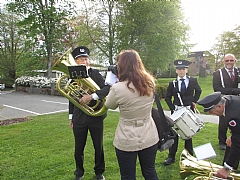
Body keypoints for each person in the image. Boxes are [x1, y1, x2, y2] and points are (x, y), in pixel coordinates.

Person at [105, 49, 159, 180]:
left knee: (128, 176)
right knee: (150, 171)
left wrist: (112, 84)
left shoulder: (118, 88)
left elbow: (109, 105)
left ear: (122, 66)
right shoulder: (150, 82)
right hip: (149, 133)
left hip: (127, 136)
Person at [69, 46, 110, 180]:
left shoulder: (95, 73)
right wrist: (71, 116)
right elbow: (70, 96)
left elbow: (106, 88)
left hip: (96, 116)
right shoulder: (72, 75)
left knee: (98, 146)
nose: (84, 61)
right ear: (76, 62)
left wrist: (92, 97)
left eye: (86, 59)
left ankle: (99, 172)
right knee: (78, 147)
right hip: (79, 117)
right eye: (81, 59)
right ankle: (79, 172)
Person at [163, 59, 202, 166]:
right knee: (174, 134)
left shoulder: (193, 81)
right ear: (176, 71)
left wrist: (194, 101)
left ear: (186, 70)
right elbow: (167, 97)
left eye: (183, 69)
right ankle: (171, 157)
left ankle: (189, 156)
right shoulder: (173, 83)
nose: (181, 71)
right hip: (176, 110)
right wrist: (172, 108)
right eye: (179, 69)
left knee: (188, 133)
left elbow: (199, 91)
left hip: (188, 109)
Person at [197, 91, 240, 179]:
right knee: (230, 143)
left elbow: (238, 143)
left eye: (212, 111)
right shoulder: (228, 100)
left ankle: (228, 170)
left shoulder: (232, 116)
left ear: (219, 106)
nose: (211, 114)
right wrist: (233, 136)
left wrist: (227, 168)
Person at [212, 53, 240, 150]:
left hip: (237, 101)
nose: (229, 62)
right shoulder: (217, 73)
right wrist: (235, 91)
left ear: (235, 61)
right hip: (224, 101)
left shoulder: (238, 71)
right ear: (223, 62)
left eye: (231, 60)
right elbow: (217, 89)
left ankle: (236, 138)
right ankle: (222, 142)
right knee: (223, 122)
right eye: (227, 60)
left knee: (237, 120)